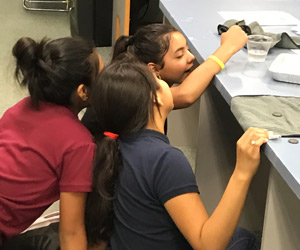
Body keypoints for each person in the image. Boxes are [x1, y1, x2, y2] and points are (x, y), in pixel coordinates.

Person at [85, 54, 269, 250]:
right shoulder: (164, 159)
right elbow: (208, 245)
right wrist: (242, 172)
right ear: (155, 98)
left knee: (239, 236)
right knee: (247, 241)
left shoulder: (113, 147)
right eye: (158, 80)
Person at [0, 36, 103, 250]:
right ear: (83, 92)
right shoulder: (79, 144)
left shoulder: (20, 108)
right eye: (102, 76)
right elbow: (71, 234)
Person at [81, 23, 248, 135]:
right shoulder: (132, 90)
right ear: (153, 69)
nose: (191, 58)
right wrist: (228, 48)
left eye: (187, 50)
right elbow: (185, 95)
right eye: (180, 55)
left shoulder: (133, 74)